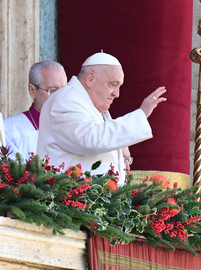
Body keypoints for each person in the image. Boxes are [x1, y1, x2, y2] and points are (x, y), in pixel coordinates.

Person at [37, 51, 166, 185]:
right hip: (69, 200)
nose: (117, 94)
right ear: (90, 79)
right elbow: (91, 140)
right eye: (112, 84)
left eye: (119, 86)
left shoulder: (92, 106)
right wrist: (141, 115)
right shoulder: (65, 101)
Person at [3, 60, 67, 158]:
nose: (61, 96)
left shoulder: (77, 127)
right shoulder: (9, 130)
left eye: (64, 90)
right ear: (32, 91)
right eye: (53, 90)